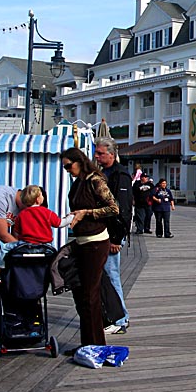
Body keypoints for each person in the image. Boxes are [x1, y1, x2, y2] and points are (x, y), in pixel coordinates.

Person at [62, 147, 118, 348]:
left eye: (69, 165)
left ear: (79, 161)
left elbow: (114, 208)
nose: (68, 170)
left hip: (95, 242)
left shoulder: (95, 180)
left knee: (90, 294)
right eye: (65, 167)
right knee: (81, 293)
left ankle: (96, 344)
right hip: (82, 241)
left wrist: (87, 212)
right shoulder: (78, 182)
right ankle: (87, 342)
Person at [0, 185, 67, 281]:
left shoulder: (21, 214)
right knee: (55, 255)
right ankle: (56, 274)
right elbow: (60, 223)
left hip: (26, 245)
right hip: (45, 246)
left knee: (5, 248)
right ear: (38, 200)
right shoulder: (47, 212)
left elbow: (17, 232)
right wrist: (71, 218)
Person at [93, 137, 133, 335]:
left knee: (111, 274)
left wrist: (117, 238)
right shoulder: (103, 172)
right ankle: (115, 315)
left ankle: (120, 318)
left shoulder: (120, 175)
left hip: (112, 233)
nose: (96, 156)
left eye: (100, 153)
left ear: (112, 153)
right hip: (101, 232)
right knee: (106, 275)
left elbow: (124, 209)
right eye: (96, 152)